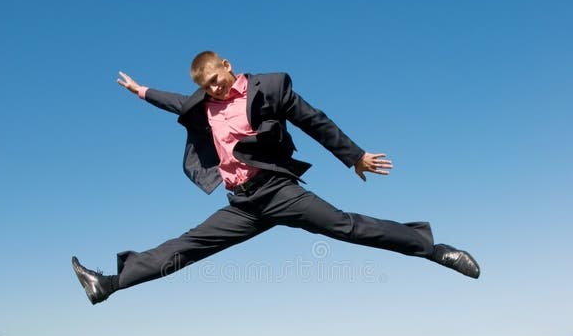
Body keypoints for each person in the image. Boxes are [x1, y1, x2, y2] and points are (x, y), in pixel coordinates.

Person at [72, 51, 480, 304]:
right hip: (242, 205)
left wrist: (354, 157)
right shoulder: (203, 104)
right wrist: (141, 90)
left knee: (346, 226)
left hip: (279, 192)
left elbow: (314, 121)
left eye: (215, 79)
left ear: (227, 66)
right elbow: (173, 102)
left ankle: (433, 249)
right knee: (187, 247)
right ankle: (109, 284)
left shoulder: (271, 87)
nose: (213, 89)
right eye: (205, 86)